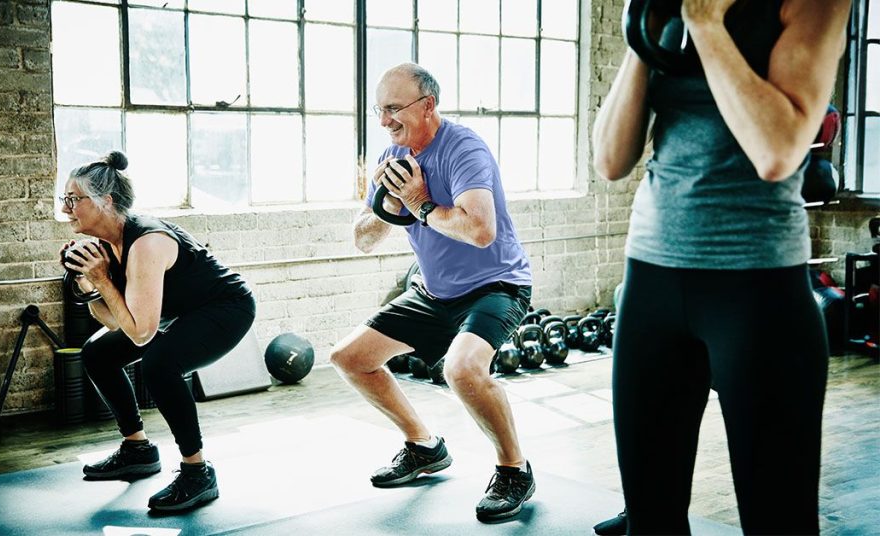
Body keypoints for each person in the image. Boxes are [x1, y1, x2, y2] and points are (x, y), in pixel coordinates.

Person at [590, 0, 850, 534]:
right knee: (650, 515)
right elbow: (612, 160)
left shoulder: (813, 4)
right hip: (652, 279)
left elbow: (777, 151)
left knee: (779, 518)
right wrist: (650, 29)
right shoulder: (666, 7)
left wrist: (707, 24)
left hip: (758, 288)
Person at [330, 63, 535, 522]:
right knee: (349, 358)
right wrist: (389, 203)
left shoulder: (464, 148)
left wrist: (421, 203)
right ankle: (424, 446)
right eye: (379, 111)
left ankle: (514, 469)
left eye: (393, 110)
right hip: (433, 292)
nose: (384, 121)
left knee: (462, 371)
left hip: (495, 286)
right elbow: (362, 239)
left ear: (427, 106)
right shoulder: (393, 158)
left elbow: (481, 231)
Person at [59, 150, 255, 512]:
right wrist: (89, 285)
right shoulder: (107, 244)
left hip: (225, 308)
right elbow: (118, 322)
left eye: (73, 199)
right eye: (65, 199)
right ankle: (138, 449)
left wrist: (102, 278)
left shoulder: (147, 242)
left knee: (159, 365)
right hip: (178, 313)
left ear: (106, 201)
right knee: (98, 352)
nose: (66, 208)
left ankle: (198, 472)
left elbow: (141, 335)